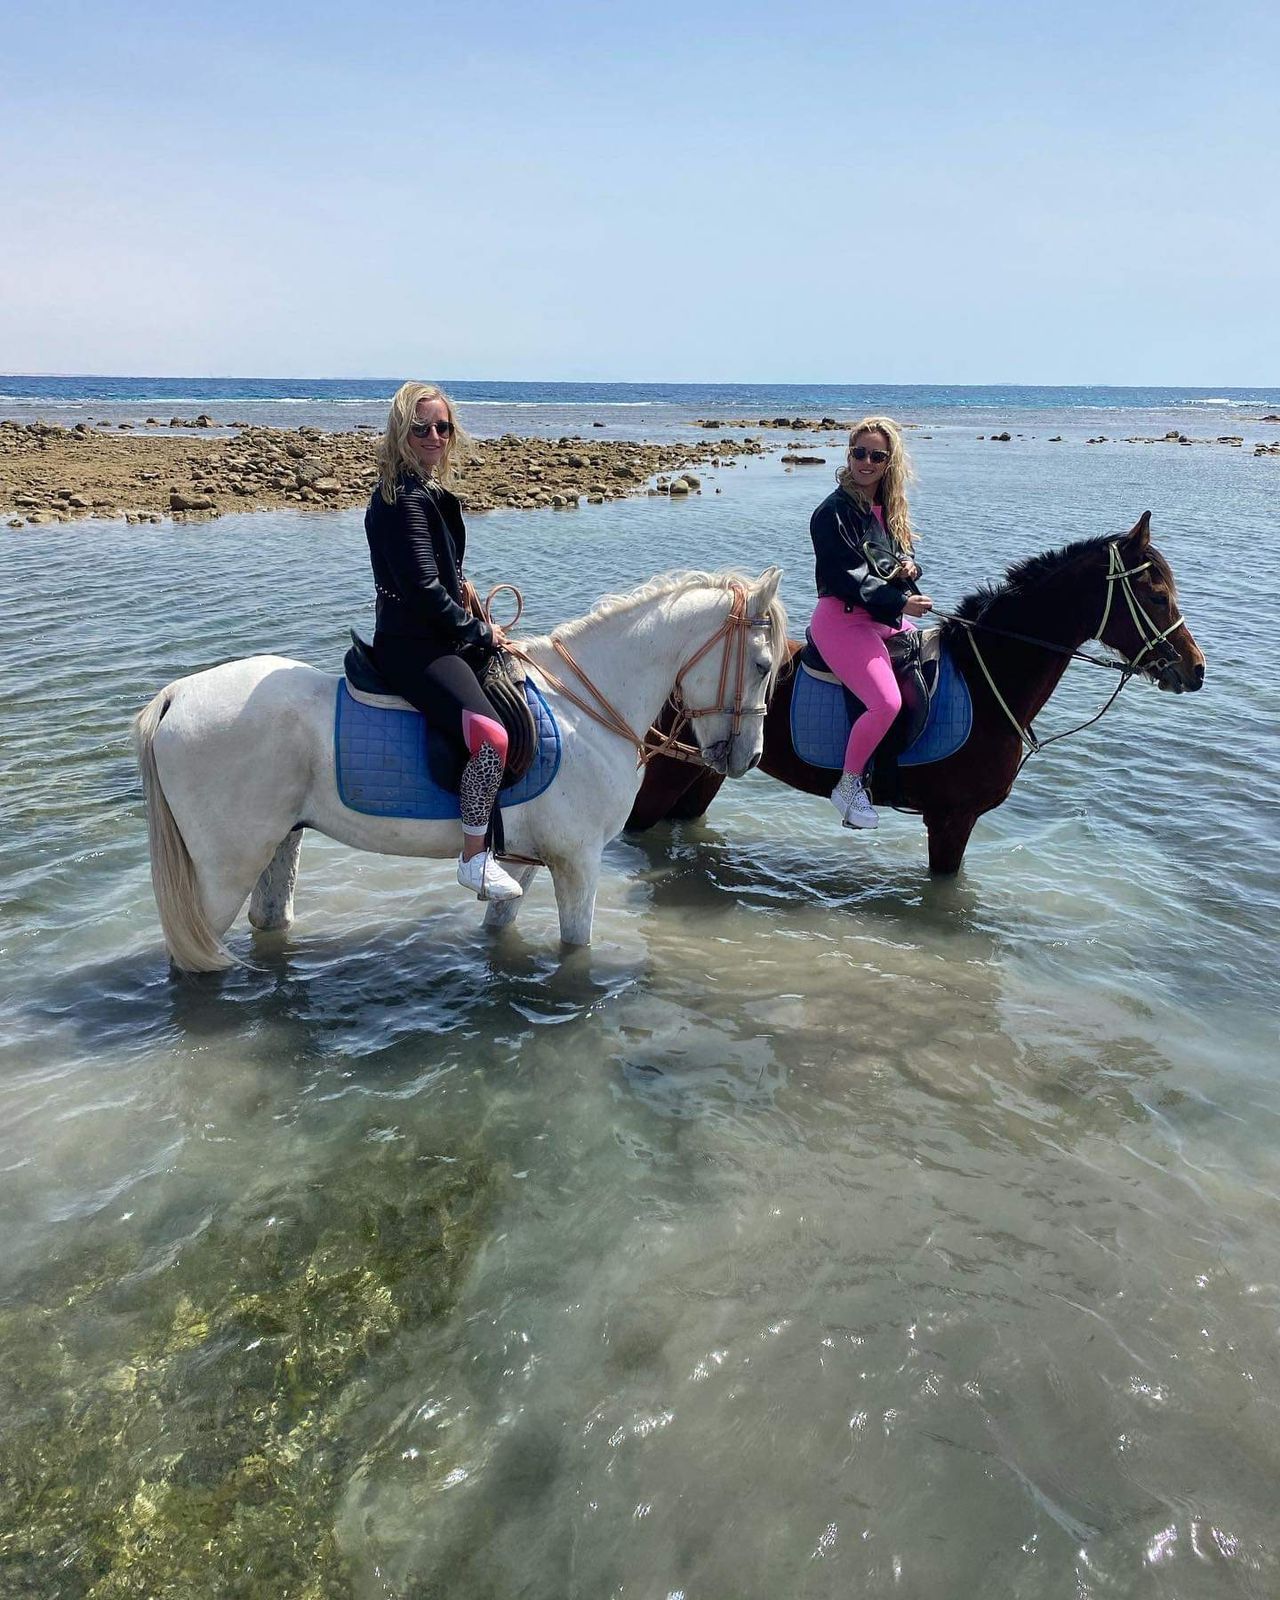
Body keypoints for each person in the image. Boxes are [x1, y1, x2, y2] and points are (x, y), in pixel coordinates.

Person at [364, 380, 525, 902]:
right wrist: (483, 632)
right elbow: (423, 591)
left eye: (443, 426)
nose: (435, 435)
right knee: (491, 738)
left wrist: (467, 591)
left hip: (433, 634)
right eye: (422, 427)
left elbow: (439, 575)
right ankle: (474, 856)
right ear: (401, 432)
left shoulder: (422, 492)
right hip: (414, 645)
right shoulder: (404, 499)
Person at [807, 416, 933, 829]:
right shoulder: (832, 513)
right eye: (858, 453)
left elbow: (890, 563)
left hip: (884, 617)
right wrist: (902, 601)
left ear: (888, 461)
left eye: (876, 455)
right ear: (849, 454)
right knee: (887, 702)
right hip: (843, 621)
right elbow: (847, 578)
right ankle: (848, 785)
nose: (866, 462)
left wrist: (910, 568)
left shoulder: (890, 509)